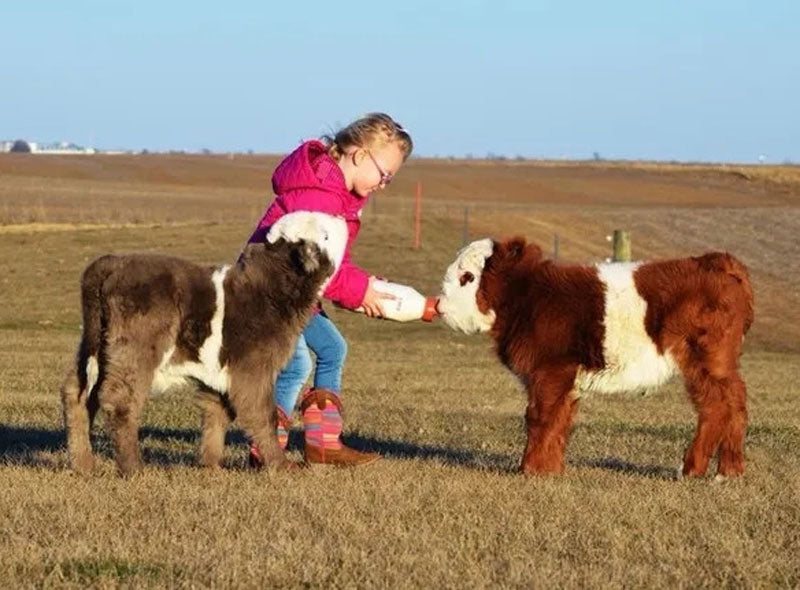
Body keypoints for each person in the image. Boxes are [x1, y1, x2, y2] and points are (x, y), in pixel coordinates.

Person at [246, 113, 413, 467]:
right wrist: (359, 293)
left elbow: (335, 263)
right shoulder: (319, 195)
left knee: (317, 354)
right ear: (359, 155)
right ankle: (282, 448)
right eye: (384, 174)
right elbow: (320, 266)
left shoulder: (334, 193)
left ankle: (306, 445)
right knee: (309, 359)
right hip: (274, 292)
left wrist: (365, 285)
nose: (384, 184)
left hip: (290, 293)